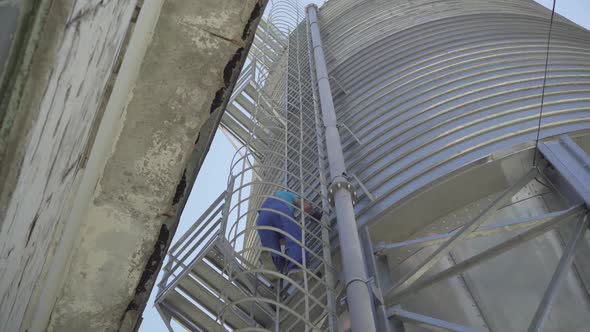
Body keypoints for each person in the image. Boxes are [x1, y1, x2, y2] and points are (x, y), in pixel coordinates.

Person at [256, 190, 321, 281]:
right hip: (279, 210)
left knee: (272, 248)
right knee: (293, 236)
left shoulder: (274, 196)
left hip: (261, 220)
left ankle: (273, 270)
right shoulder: (290, 195)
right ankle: (296, 267)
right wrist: (314, 213)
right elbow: (304, 205)